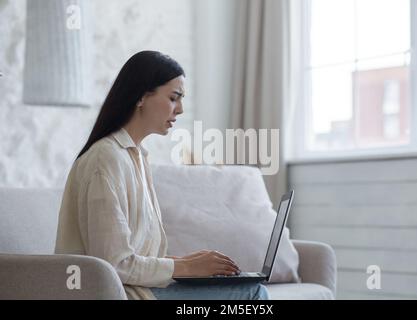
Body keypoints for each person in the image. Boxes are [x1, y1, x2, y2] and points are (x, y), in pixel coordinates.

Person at [54, 50, 270, 300]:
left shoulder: (135, 157)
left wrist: (187, 263)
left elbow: (132, 256)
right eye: (173, 98)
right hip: (121, 295)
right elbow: (113, 264)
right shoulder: (106, 159)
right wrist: (185, 267)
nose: (180, 109)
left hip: (139, 289)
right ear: (142, 97)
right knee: (253, 295)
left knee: (248, 290)